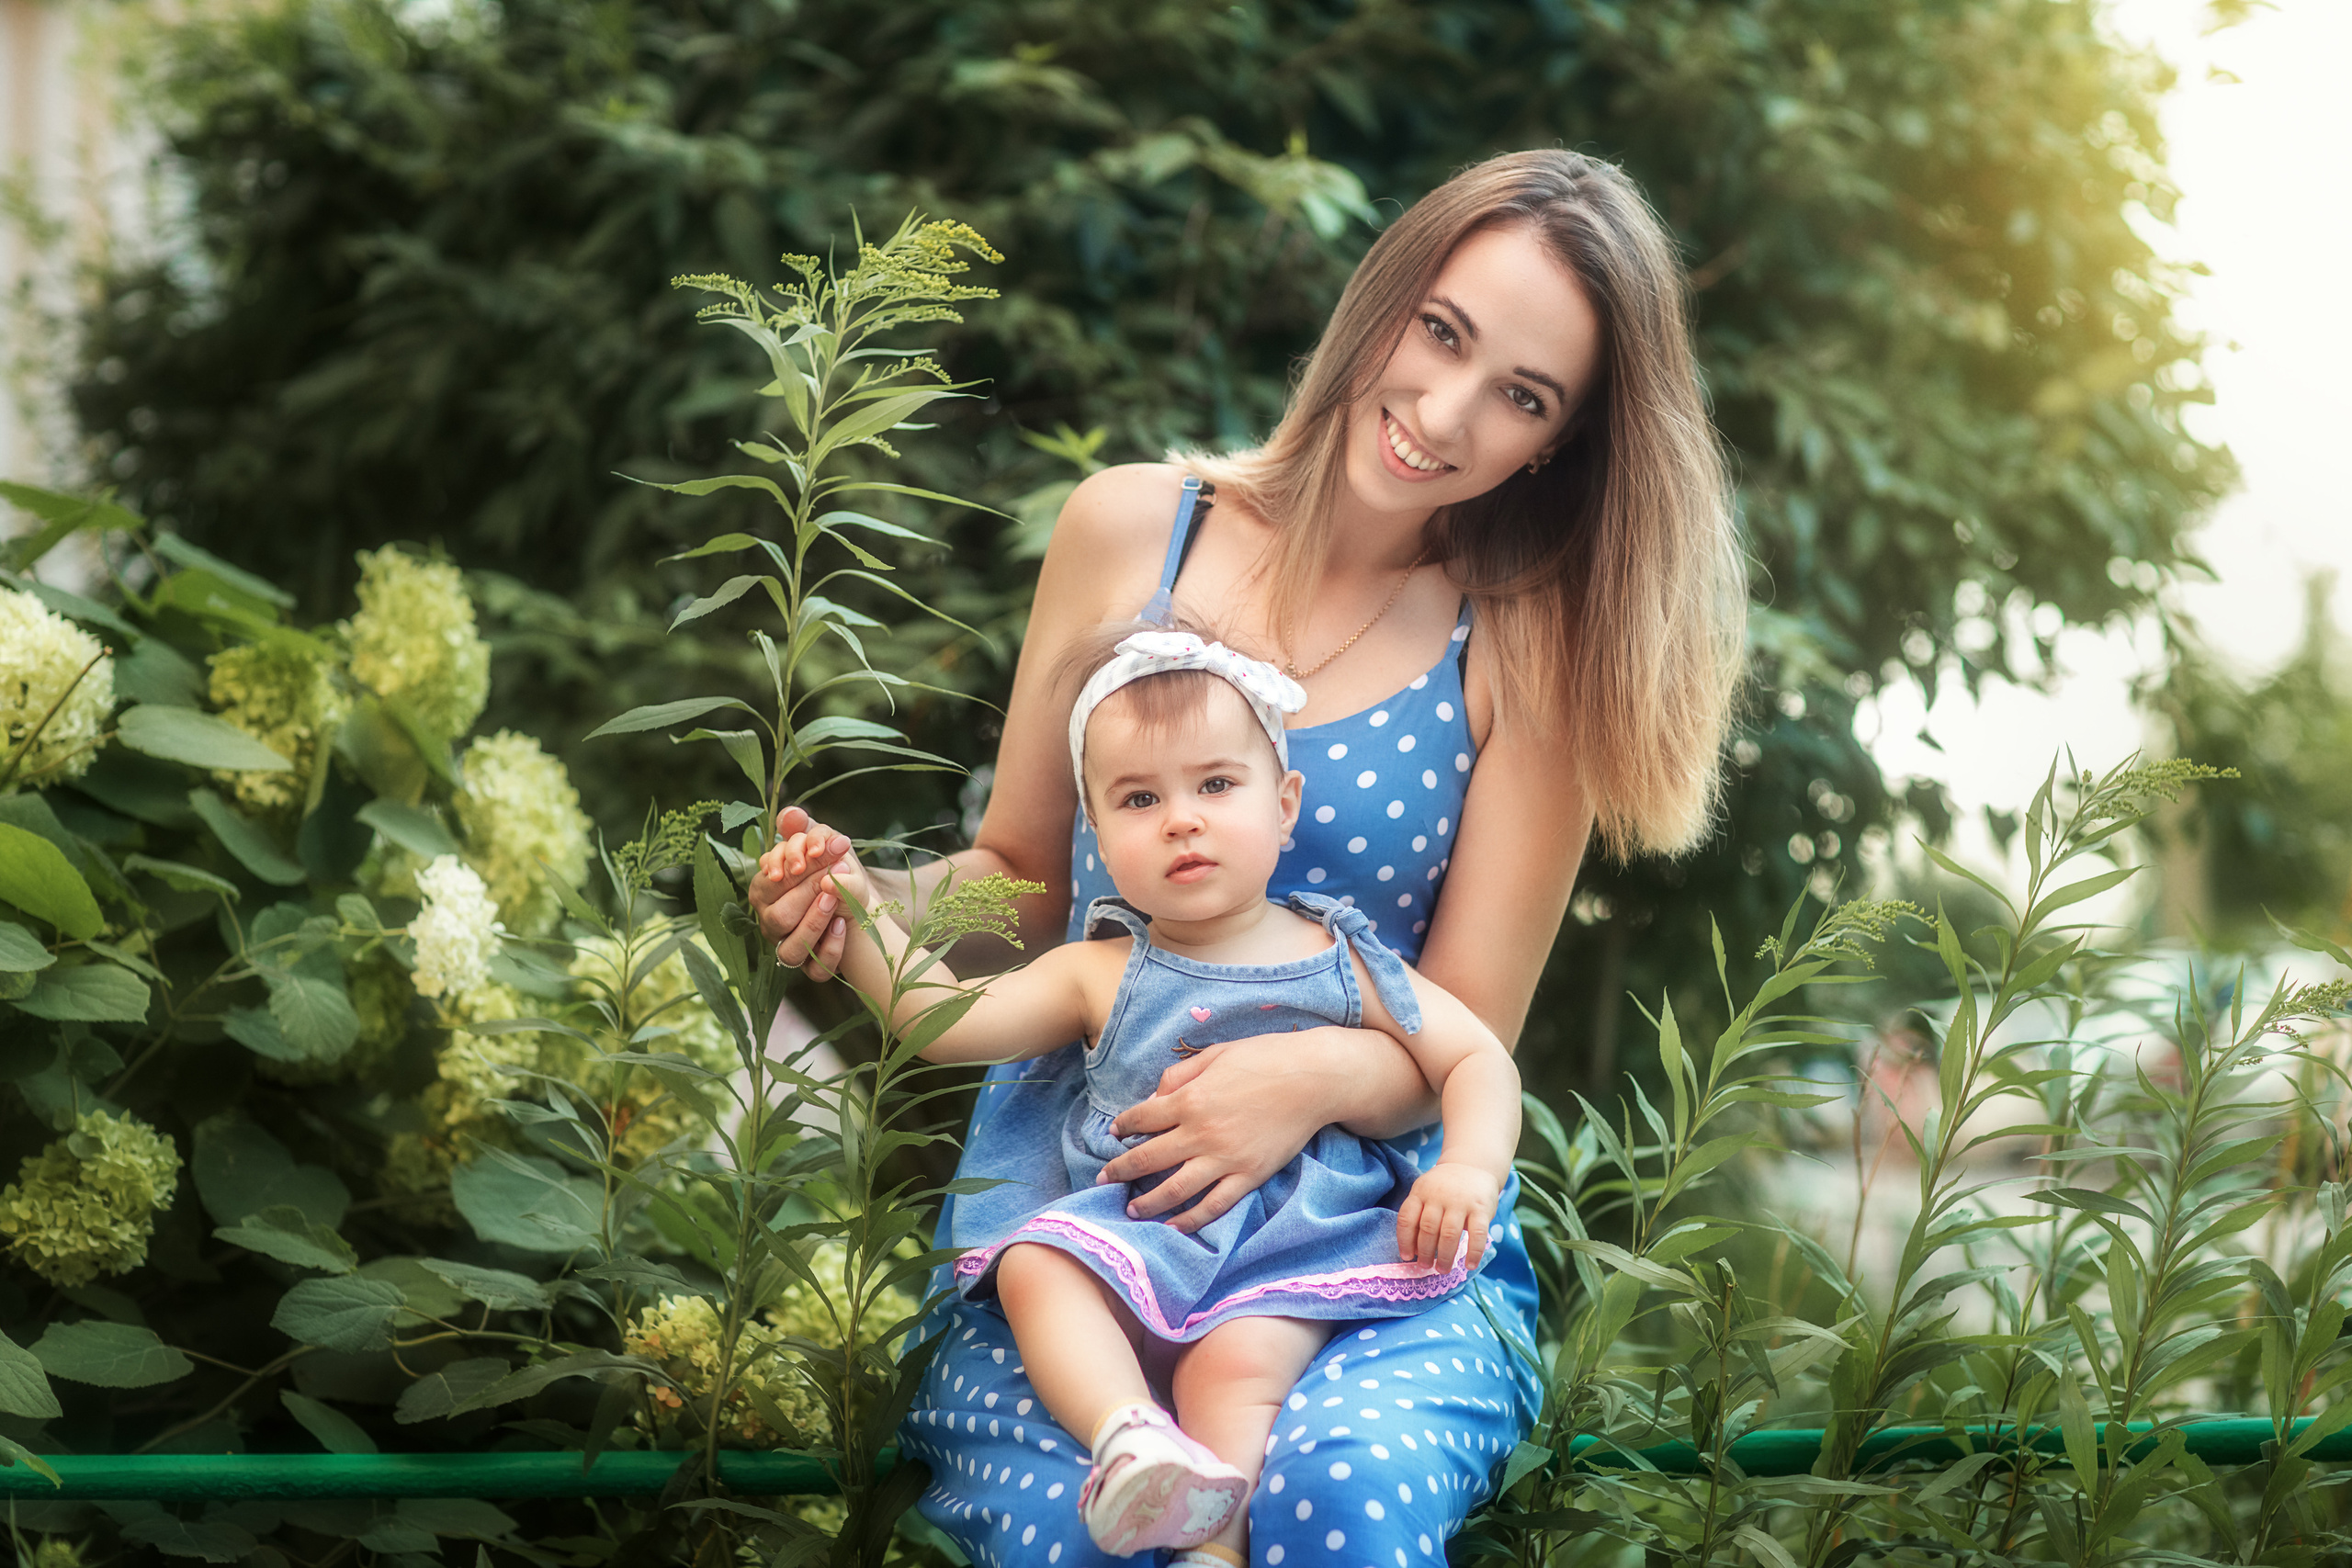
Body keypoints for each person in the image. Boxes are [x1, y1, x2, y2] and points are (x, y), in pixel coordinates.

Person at [753, 147, 1743, 1564]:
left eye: (1522, 396)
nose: (1444, 413)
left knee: (1337, 1495)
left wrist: (1298, 1080)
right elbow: (1020, 876)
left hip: (1367, 1239)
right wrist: (861, 895)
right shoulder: (1127, 531)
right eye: (1442, 333)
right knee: (1095, 1534)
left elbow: (1467, 1021)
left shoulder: (1523, 645)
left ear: (1558, 443)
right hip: (1091, 1213)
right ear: (1386, 295)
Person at [773, 626, 1523, 1562]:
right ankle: (1129, 1435)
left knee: (1234, 1369)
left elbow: (1476, 1058)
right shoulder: (1101, 969)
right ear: (1096, 831)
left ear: (1284, 805)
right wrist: (859, 910)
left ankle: (1216, 1546)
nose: (1181, 819)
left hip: (1287, 1243)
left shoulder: (1338, 956)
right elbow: (940, 1020)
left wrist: (1469, 1169)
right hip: (1140, 1231)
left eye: (1216, 784)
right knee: (1034, 1264)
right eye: (1139, 797)